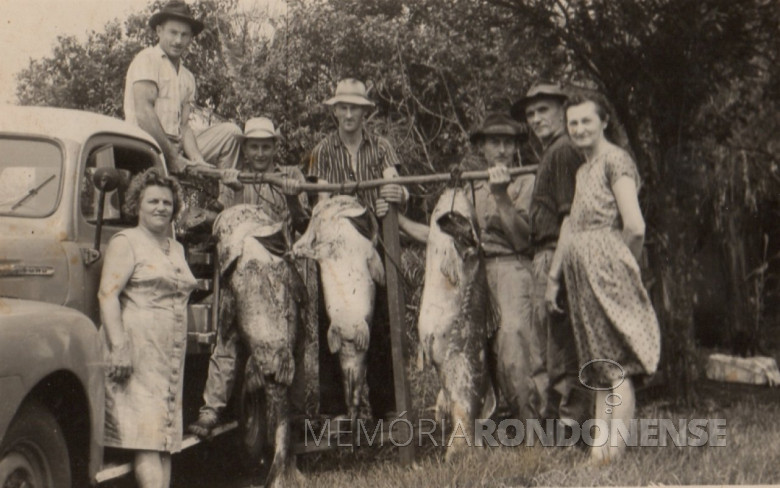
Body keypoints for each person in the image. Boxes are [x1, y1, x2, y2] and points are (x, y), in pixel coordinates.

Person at [545, 92, 661, 463]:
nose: (578, 129)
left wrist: (621, 265)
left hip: (608, 272)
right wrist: (554, 276)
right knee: (598, 364)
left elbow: (635, 225)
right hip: (583, 276)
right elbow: (571, 224)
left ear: (604, 122)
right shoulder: (583, 169)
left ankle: (611, 454)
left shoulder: (616, 160)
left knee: (616, 364)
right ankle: (600, 452)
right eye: (573, 123)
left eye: (586, 121)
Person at [400, 112, 538, 420]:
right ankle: (483, 425)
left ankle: (532, 428)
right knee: (471, 350)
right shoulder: (472, 188)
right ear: (483, 148)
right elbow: (442, 236)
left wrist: (502, 198)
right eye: (494, 143)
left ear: (516, 147)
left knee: (513, 345)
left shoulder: (527, 181)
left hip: (511, 269)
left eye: (507, 143)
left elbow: (523, 240)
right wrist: (396, 220)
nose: (501, 150)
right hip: (474, 273)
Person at [188, 117, 308, 437]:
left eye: (265, 146)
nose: (259, 153)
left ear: (274, 147)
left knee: (294, 338)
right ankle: (211, 409)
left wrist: (293, 196)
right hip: (241, 274)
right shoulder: (233, 176)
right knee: (227, 337)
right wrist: (227, 188)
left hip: (278, 274)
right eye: (253, 146)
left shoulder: (290, 176)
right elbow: (218, 223)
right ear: (244, 147)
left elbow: (302, 223)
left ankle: (292, 416)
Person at [306, 78, 408, 419]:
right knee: (331, 324)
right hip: (337, 252)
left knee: (380, 326)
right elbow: (321, 202)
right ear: (335, 111)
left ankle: (387, 409)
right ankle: (336, 411)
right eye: (343, 107)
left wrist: (395, 197)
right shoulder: (322, 150)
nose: (349, 114)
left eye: (355, 108)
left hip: (371, 245)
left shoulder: (381, 147)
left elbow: (396, 187)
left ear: (365, 112)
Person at [99, 168, 196, 488]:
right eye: (152, 201)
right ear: (136, 206)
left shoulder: (176, 248)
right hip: (137, 351)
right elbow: (108, 294)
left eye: (167, 202)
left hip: (167, 357)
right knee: (146, 440)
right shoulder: (126, 242)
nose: (160, 207)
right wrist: (119, 347)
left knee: (165, 440)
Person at [511, 82, 592, 432]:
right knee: (552, 349)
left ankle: (571, 432)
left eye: (543, 109)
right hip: (546, 255)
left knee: (562, 353)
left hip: (557, 254)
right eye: (530, 113)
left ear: (562, 110)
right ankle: (564, 429)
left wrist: (555, 275)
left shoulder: (561, 152)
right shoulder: (552, 152)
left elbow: (569, 218)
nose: (536, 118)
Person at [123, 0, 241, 228]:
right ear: (159, 31)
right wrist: (174, 157)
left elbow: (184, 126)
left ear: (191, 38)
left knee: (231, 133)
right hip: (145, 145)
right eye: (173, 33)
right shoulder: (147, 59)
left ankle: (221, 208)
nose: (178, 40)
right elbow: (144, 113)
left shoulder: (187, 77)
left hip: (175, 145)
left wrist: (196, 158)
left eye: (184, 35)